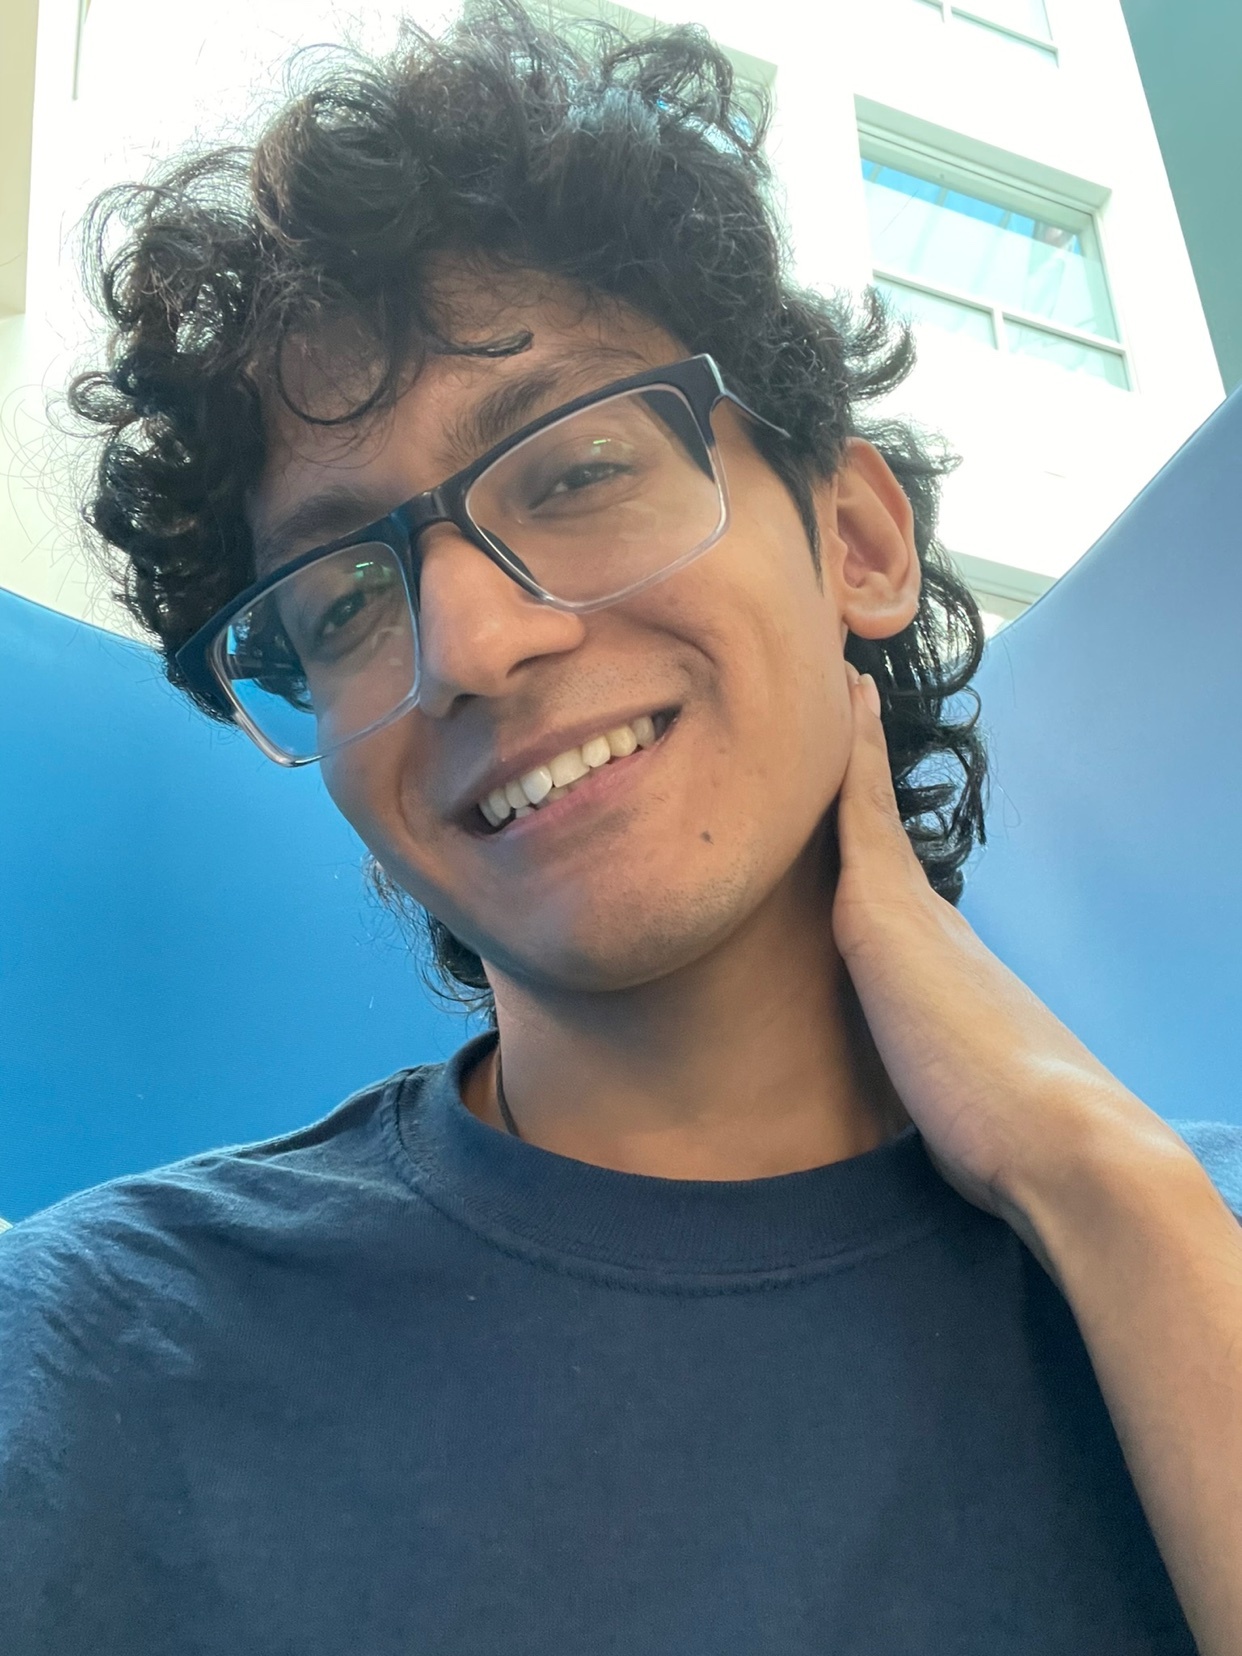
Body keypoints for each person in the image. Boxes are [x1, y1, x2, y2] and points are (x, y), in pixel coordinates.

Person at [3, 3, 1240, 1651]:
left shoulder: (1183, 1239)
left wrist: (1102, 1187)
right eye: (347, 596)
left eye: (574, 472)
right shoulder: (87, 1359)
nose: (470, 646)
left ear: (859, 538)